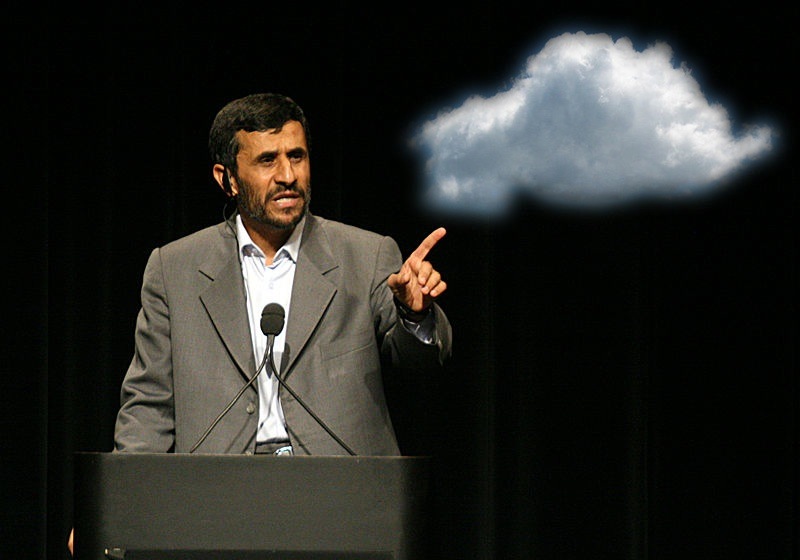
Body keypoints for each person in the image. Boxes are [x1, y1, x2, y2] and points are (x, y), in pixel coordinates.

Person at [68, 92, 452, 555]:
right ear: (226, 178)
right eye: (267, 160)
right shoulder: (174, 269)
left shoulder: (366, 255)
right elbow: (149, 404)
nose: (288, 175)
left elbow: (422, 364)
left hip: (342, 503)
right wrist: (116, 510)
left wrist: (415, 314)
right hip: (216, 503)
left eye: (297, 156)